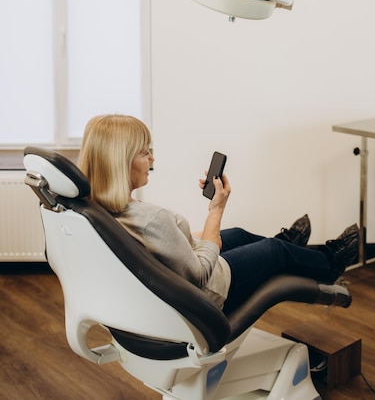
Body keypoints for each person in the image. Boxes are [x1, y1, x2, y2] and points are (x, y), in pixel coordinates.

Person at [79, 114, 359, 315]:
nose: (152, 159)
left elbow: (160, 248)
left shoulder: (97, 209)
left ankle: (291, 247)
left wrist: (198, 235)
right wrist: (216, 211)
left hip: (170, 282)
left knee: (239, 235)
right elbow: (200, 275)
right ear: (120, 162)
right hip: (206, 295)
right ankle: (330, 262)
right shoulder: (153, 219)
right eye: (144, 153)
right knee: (273, 251)